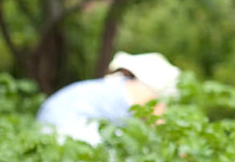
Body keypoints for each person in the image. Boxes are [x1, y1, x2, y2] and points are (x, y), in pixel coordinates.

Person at [36, 51, 181, 145]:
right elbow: (162, 131)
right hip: (68, 136)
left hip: (43, 131)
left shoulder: (111, 85)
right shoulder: (141, 91)